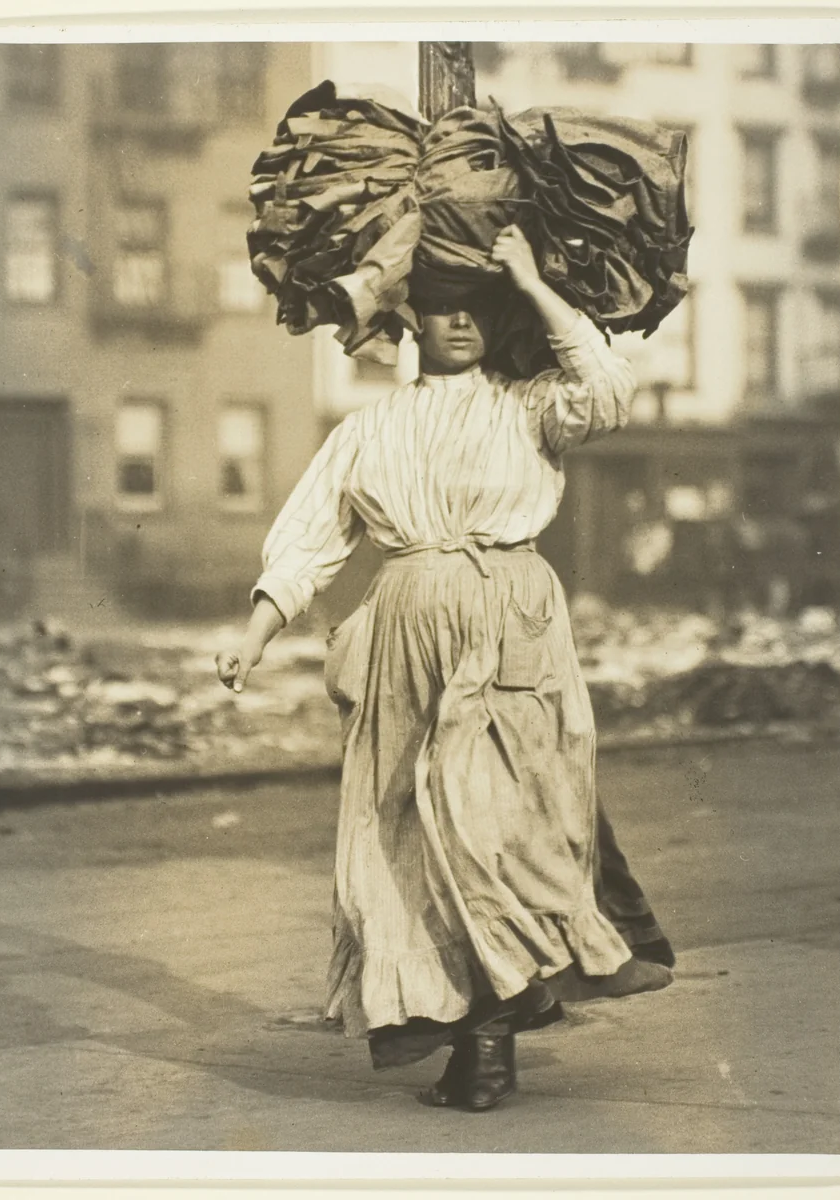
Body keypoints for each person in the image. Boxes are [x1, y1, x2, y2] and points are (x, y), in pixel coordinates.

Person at [216, 225, 672, 1112]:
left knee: (491, 826)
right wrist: (255, 633)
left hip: (511, 628)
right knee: (413, 839)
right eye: (440, 306)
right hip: (404, 634)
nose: (459, 321)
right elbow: (310, 538)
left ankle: (493, 1036)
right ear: (411, 320)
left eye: (475, 306)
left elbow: (609, 393)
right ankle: (485, 1034)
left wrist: (531, 279)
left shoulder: (529, 407)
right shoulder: (369, 429)